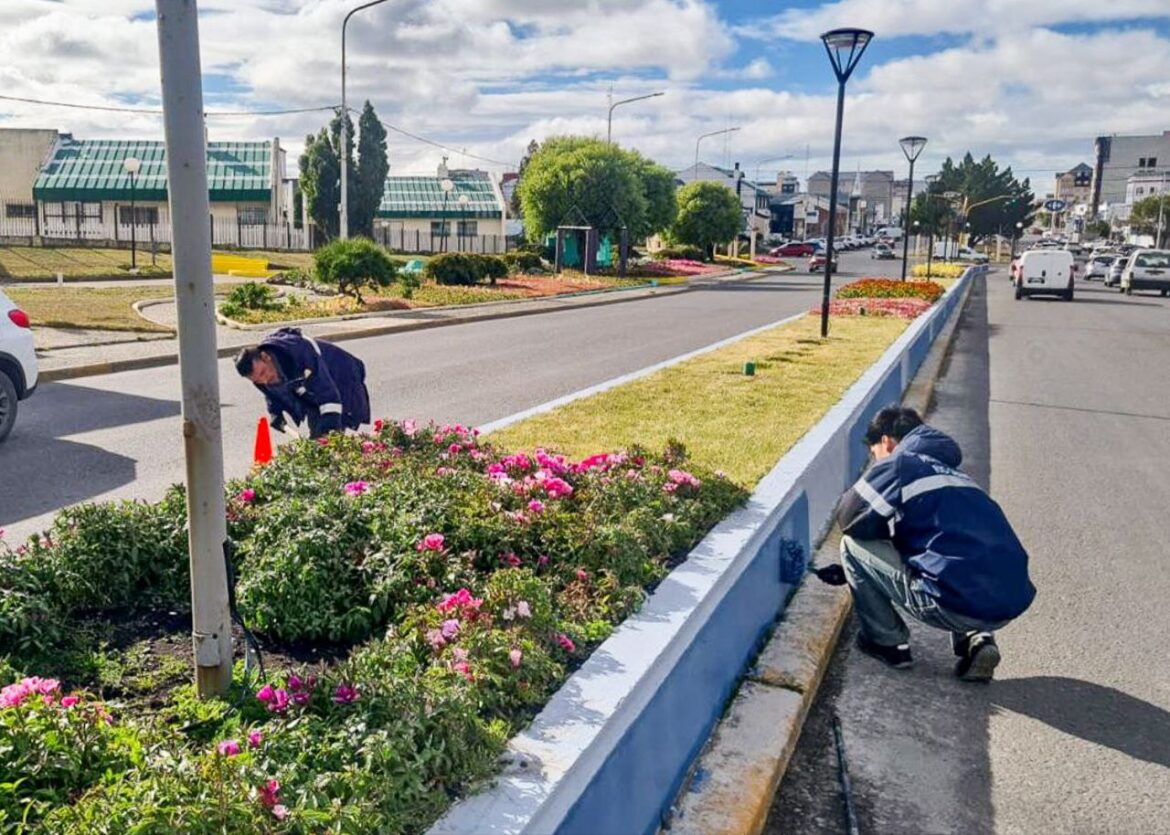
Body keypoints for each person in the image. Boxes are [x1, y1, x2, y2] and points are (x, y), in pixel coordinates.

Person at [813, 406, 1035, 682]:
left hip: (950, 605)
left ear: (887, 441)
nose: (876, 462)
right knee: (955, 554)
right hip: (1008, 602)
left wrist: (860, 563)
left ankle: (887, 642)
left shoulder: (901, 464)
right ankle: (978, 639)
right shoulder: (958, 477)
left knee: (852, 545)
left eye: (875, 455)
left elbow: (850, 516)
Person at [234, 328, 370, 440]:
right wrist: (275, 412)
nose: (264, 380)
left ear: (265, 356)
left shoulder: (299, 351)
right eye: (258, 380)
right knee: (318, 436)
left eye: (263, 373)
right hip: (312, 390)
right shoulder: (263, 371)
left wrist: (329, 430)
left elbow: (328, 395)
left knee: (331, 434)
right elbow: (272, 392)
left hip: (341, 377)